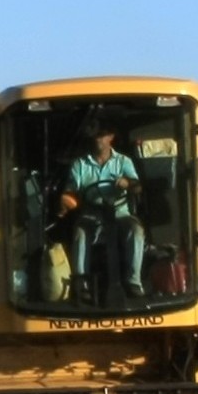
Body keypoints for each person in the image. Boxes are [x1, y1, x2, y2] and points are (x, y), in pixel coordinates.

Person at [56, 124, 142, 303]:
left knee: (136, 230)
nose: (97, 139)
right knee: (80, 232)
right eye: (95, 136)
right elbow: (71, 190)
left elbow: (137, 187)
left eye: (102, 135)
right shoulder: (80, 164)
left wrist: (128, 183)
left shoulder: (123, 162)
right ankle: (82, 285)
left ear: (111, 137)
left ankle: (134, 283)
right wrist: (66, 200)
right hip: (91, 214)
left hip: (120, 212)